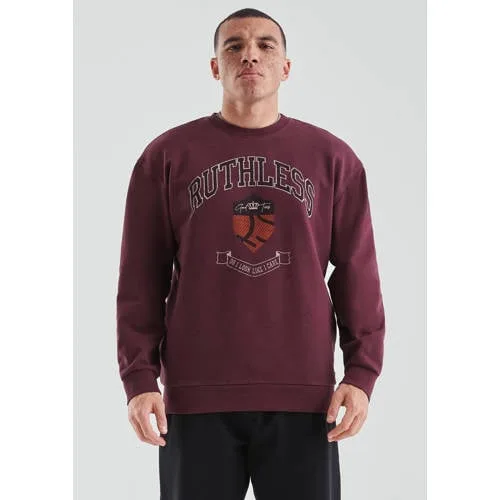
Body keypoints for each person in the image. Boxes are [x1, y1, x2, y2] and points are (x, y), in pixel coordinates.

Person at [116, 7, 385, 500]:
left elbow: (357, 272)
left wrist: (362, 372)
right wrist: (139, 378)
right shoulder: (167, 157)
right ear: (215, 66)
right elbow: (140, 280)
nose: (250, 55)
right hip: (195, 397)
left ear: (286, 67)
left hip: (305, 396)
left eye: (265, 45)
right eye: (234, 46)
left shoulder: (333, 159)